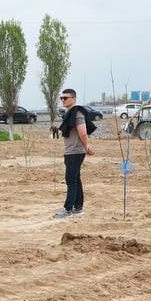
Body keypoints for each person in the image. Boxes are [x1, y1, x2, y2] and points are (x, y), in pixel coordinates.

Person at [54, 88, 95, 218]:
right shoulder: (70, 114)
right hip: (71, 151)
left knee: (70, 180)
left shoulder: (77, 114)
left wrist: (86, 145)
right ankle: (78, 207)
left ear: (73, 98)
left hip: (75, 152)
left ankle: (68, 209)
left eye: (65, 98)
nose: (63, 100)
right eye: (61, 98)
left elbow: (82, 132)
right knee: (76, 179)